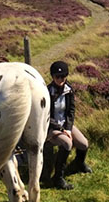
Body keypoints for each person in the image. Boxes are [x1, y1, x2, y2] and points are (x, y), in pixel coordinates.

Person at [41, 61, 90, 190]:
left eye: (63, 76)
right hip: (50, 128)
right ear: (52, 76)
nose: (61, 79)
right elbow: (45, 116)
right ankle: (58, 177)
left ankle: (79, 164)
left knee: (84, 144)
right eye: (58, 76)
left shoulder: (69, 90)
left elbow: (71, 111)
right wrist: (61, 129)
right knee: (67, 143)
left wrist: (68, 128)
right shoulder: (47, 92)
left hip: (65, 125)